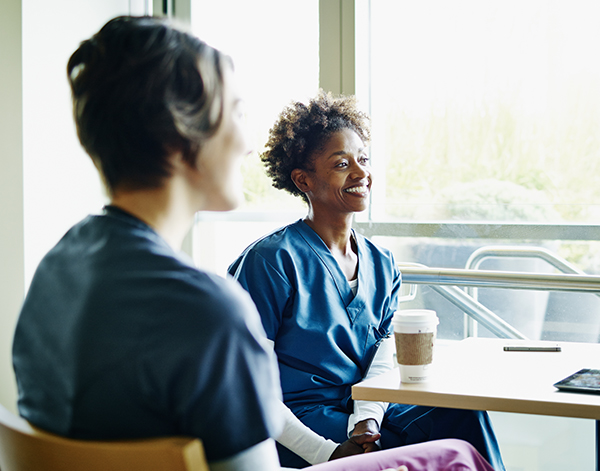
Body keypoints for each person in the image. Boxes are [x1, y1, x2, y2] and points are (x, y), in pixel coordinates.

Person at [12, 15, 495, 471]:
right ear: (182, 133)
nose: (246, 144)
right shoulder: (210, 308)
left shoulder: (60, 265)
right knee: (454, 455)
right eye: (237, 113)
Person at [228, 92, 505, 471]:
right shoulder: (271, 261)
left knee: (462, 414)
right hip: (298, 423)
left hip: (364, 412)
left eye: (364, 159)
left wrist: (366, 420)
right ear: (303, 179)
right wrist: (325, 452)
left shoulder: (382, 263)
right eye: (342, 164)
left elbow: (382, 357)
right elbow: (246, 385)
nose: (361, 173)